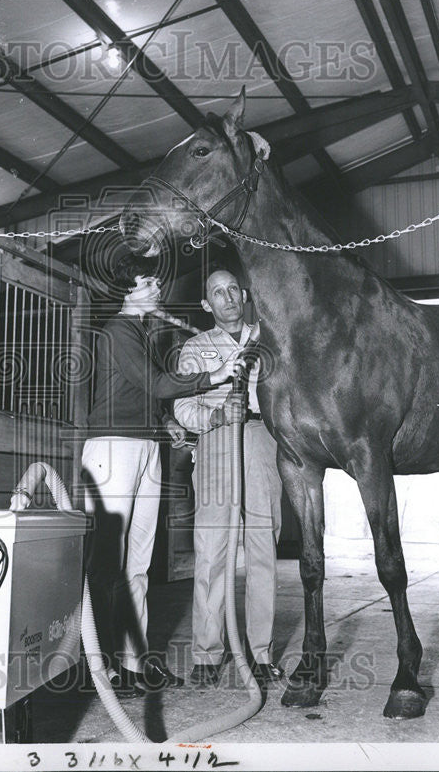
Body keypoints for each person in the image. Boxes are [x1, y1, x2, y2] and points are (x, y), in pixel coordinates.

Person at [82, 254, 237, 699]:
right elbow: (156, 383)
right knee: (107, 564)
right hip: (113, 451)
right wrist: (215, 375)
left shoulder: (141, 333)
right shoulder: (118, 330)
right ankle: (101, 666)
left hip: (145, 446)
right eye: (147, 283)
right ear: (126, 294)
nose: (156, 288)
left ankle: (134, 663)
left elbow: (142, 390)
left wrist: (161, 423)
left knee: (139, 564)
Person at [174, 269, 284, 687]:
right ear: (207, 305)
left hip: (261, 439)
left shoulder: (269, 338)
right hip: (218, 441)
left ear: (244, 294)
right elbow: (182, 409)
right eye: (217, 293)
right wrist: (217, 414)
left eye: (232, 290)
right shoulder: (195, 348)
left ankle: (260, 654)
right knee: (212, 551)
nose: (227, 298)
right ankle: (207, 653)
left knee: (262, 548)